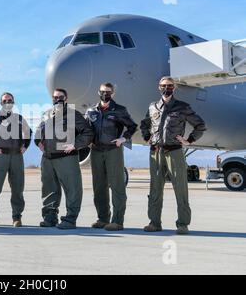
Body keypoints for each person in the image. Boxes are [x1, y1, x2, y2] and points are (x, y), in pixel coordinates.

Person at [140, 77, 206, 235]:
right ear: (158, 87)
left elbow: (200, 125)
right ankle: (154, 222)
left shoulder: (182, 107)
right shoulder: (153, 107)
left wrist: (188, 140)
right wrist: (146, 137)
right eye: (163, 86)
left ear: (174, 88)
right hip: (156, 152)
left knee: (180, 188)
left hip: (174, 152)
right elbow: (144, 124)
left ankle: (183, 224)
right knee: (155, 189)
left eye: (169, 86)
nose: (166, 88)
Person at [35, 88, 94, 229]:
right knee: (49, 189)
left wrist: (75, 145)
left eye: (60, 97)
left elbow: (88, 133)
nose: (57, 99)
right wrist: (38, 142)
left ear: (66, 98)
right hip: (48, 158)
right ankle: (50, 218)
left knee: (72, 189)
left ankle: (70, 219)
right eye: (55, 97)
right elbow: (38, 131)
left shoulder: (74, 114)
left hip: (66, 158)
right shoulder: (46, 114)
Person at [86, 83, 138, 231]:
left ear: (113, 94)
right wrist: (87, 141)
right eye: (102, 92)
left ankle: (117, 220)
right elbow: (86, 129)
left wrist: (123, 139)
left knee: (117, 186)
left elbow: (133, 126)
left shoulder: (119, 110)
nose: (105, 94)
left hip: (113, 151)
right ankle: (102, 218)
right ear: (98, 92)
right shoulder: (91, 111)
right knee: (99, 187)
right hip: (96, 151)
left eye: (108, 92)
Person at [0, 92, 32, 228]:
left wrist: (25, 146)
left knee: (18, 189)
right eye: (4, 100)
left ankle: (17, 217)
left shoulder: (19, 118)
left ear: (13, 102)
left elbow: (28, 132)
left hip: (16, 157)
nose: (7, 102)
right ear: (1, 103)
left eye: (10, 100)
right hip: (0, 156)